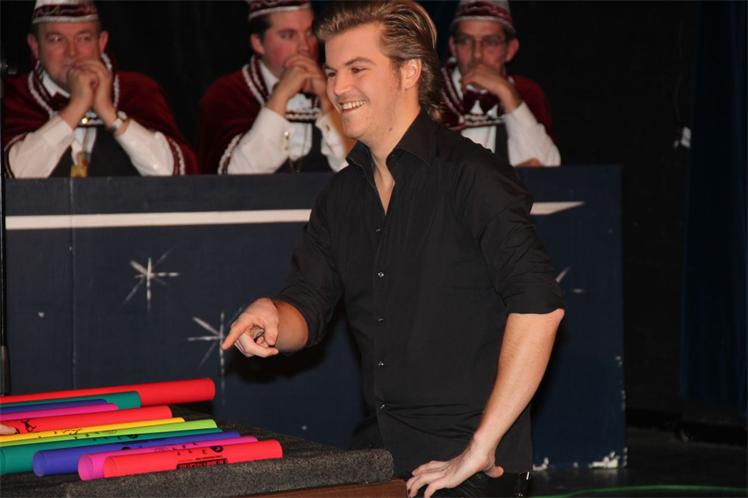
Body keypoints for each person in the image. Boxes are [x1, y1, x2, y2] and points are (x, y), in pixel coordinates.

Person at [221, 2, 564, 497]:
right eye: (332, 72)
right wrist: (273, 316)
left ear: (409, 72)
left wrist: (482, 445)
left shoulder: (471, 176)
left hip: (469, 466)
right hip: (382, 455)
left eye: (358, 69)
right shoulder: (341, 196)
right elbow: (306, 308)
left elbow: (540, 308)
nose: (338, 88)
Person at [2, 0, 198, 178]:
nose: (72, 52)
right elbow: (12, 178)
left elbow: (173, 175)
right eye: (56, 39)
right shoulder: (14, 97)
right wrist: (76, 107)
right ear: (35, 46)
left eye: (84, 38)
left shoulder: (138, 91)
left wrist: (109, 113)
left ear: (101, 42)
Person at [198, 0, 350, 175]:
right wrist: (280, 97)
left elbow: (360, 173)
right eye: (288, 35)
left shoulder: (340, 86)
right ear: (258, 43)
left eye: (310, 33)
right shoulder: (227, 95)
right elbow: (236, 178)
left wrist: (328, 101)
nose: (305, 47)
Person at [441, 0, 560, 167]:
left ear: (510, 50)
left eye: (490, 42)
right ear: (453, 47)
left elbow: (546, 168)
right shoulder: (431, 94)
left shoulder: (526, 92)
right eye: (466, 40)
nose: (477, 54)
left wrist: (506, 92)